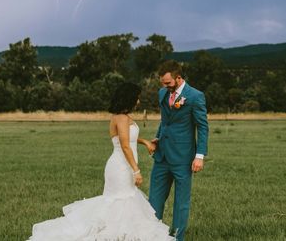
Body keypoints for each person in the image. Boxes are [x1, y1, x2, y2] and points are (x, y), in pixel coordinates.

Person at [28, 83, 174, 241]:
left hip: (120, 166)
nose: (138, 101)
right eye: (137, 98)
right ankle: (115, 234)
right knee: (120, 201)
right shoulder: (122, 118)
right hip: (121, 168)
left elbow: (125, 138)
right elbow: (125, 145)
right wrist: (136, 170)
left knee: (121, 202)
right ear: (129, 99)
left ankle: (120, 233)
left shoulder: (119, 117)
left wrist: (144, 141)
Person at [148, 60, 209, 241]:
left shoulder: (195, 96)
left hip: (183, 158)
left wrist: (200, 156)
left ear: (179, 78)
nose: (164, 86)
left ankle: (176, 238)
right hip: (162, 156)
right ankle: (152, 235)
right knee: (154, 202)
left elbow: (202, 127)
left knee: (181, 203)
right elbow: (165, 120)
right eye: (162, 83)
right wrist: (158, 137)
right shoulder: (162, 93)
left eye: (168, 83)